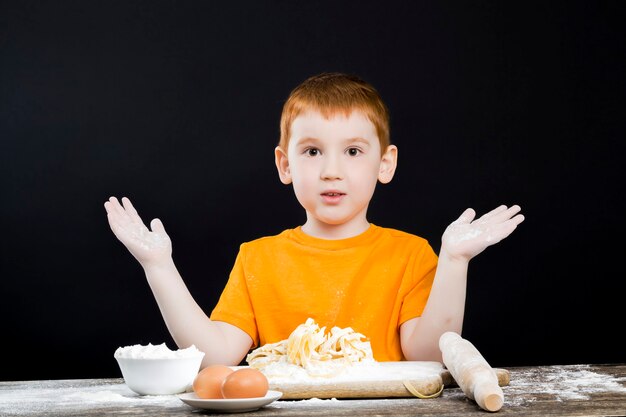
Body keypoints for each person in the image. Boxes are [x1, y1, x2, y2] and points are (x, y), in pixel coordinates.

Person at [104, 72, 524, 367]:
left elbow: (429, 357)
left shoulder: (410, 255)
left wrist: (454, 261)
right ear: (285, 166)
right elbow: (213, 356)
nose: (331, 171)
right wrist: (158, 267)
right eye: (312, 151)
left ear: (385, 163)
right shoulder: (257, 259)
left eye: (354, 152)